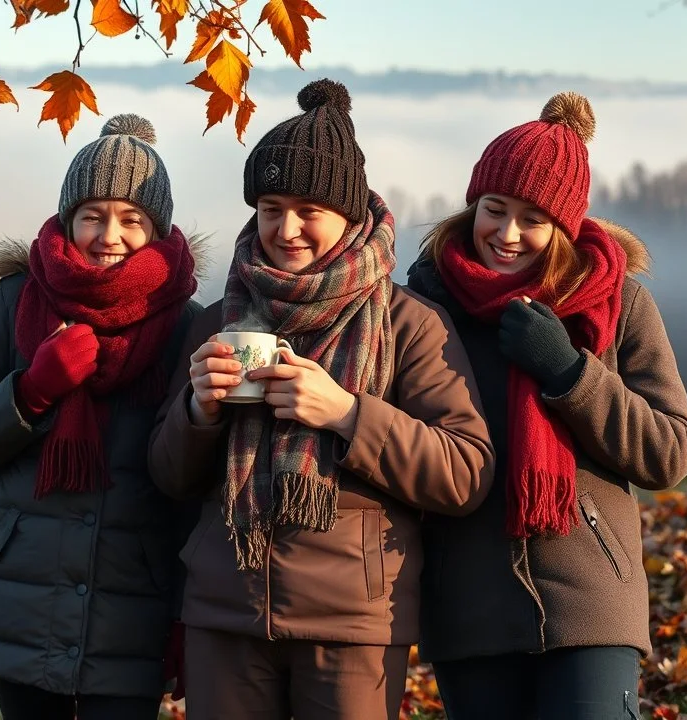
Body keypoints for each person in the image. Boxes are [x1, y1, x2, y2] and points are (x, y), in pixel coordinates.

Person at [147, 79, 494, 720]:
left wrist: (346, 413)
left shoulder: (408, 323)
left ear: (350, 213)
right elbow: (167, 476)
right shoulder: (217, 321)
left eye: (309, 208)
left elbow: (466, 471)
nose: (286, 228)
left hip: (353, 623)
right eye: (271, 206)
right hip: (224, 614)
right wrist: (199, 411)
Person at [405, 91, 687, 720]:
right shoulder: (425, 309)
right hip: (468, 610)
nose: (507, 234)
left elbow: (671, 451)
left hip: (592, 603)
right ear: (472, 204)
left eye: (533, 219)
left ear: (563, 227)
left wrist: (569, 372)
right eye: (495, 209)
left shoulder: (620, 305)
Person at [0, 114, 202, 720]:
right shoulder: (15, 300)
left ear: (157, 228)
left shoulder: (187, 324)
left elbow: (194, 487)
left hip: (133, 613)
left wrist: (186, 613)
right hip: (20, 608)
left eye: (132, 220)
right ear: (68, 219)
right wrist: (29, 392)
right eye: (93, 215)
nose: (110, 235)